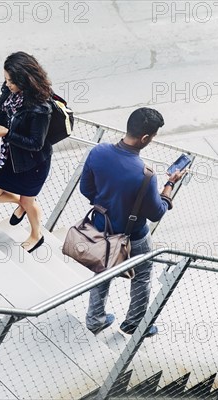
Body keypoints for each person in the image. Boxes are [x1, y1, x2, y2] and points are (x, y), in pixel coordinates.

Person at [79, 107, 186, 336]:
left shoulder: (98, 152)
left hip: (100, 228)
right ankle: (134, 323)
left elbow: (85, 189)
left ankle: (95, 320)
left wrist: (105, 205)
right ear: (145, 138)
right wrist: (170, 186)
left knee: (102, 269)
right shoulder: (144, 175)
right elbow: (156, 212)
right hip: (133, 237)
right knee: (142, 275)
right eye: (153, 136)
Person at [0, 51, 53, 253]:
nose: (7, 85)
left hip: (33, 163)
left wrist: (7, 133)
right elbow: (6, 114)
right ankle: (19, 203)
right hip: (10, 156)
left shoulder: (40, 108)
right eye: (6, 79)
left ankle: (36, 235)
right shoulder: (12, 92)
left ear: (25, 80)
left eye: (11, 81)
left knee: (29, 202)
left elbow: (35, 143)